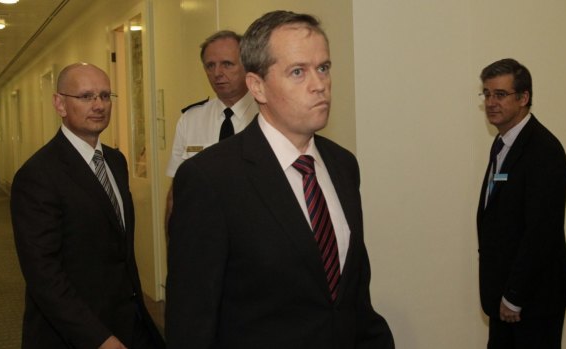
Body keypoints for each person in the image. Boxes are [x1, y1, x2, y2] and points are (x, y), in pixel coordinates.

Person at [165, 10, 394, 349]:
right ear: (257, 86)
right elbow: (191, 320)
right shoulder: (209, 179)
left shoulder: (343, 165)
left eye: (324, 68)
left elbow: (352, 295)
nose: (319, 84)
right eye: (298, 72)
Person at [10, 63, 165, 349]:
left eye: (105, 96)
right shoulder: (38, 175)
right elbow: (43, 274)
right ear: (60, 103)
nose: (98, 105)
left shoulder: (116, 162)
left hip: (128, 321)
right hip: (73, 333)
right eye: (86, 96)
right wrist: (98, 338)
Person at [476, 58, 566, 349]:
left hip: (531, 303)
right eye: (487, 94)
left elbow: (541, 233)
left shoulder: (545, 151)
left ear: (524, 98)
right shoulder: (502, 143)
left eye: (500, 94)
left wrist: (514, 296)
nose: (491, 102)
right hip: (503, 298)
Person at [164, 30, 259, 226]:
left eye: (227, 64)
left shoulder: (269, 115)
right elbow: (176, 192)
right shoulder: (190, 120)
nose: (217, 73)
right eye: (210, 66)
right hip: (204, 229)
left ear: (247, 66)